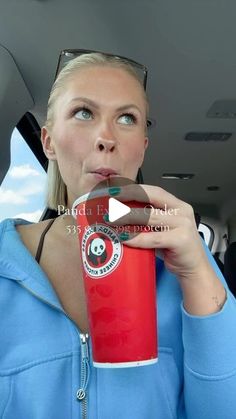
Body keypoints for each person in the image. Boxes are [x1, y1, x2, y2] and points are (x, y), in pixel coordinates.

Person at [0, 51, 236, 419]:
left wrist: (198, 274)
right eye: (83, 112)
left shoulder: (185, 259)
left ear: (142, 147)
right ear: (48, 142)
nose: (106, 138)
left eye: (126, 118)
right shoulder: (5, 261)